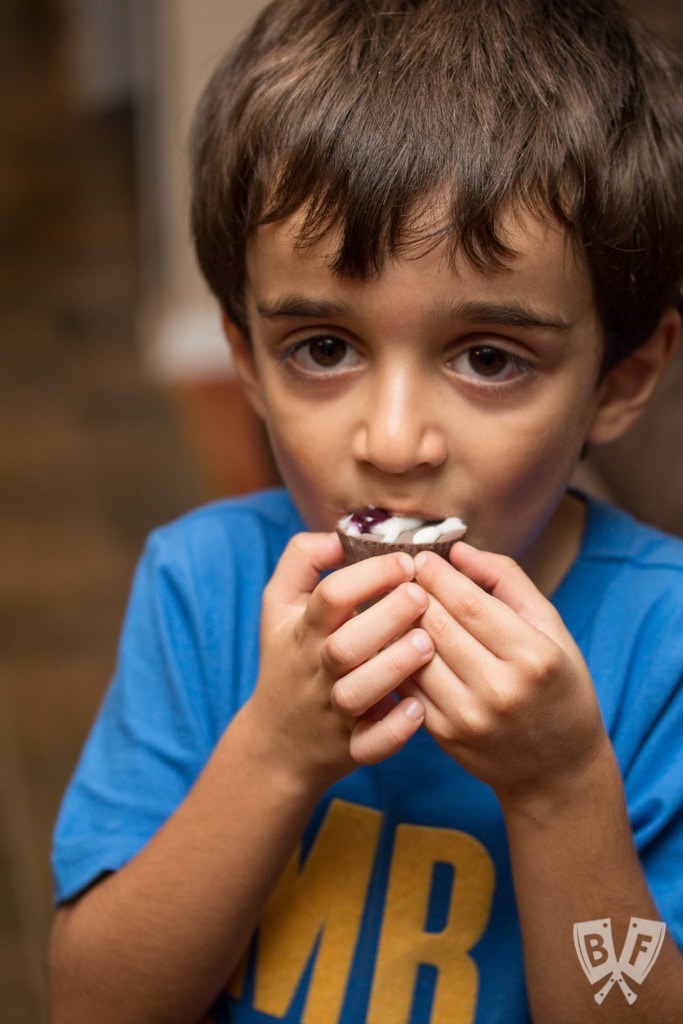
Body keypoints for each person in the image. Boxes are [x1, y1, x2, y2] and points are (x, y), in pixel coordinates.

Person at [47, 1, 683, 1021]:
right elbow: (90, 1004)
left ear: (617, 379)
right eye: (322, 348)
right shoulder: (202, 589)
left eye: (488, 358)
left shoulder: (662, 649)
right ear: (246, 361)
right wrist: (275, 749)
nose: (391, 440)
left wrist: (560, 789)